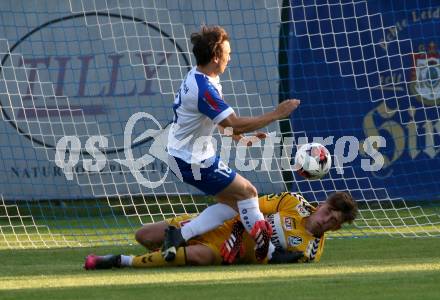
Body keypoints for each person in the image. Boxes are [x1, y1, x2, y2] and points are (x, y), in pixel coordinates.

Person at [164, 24, 301, 263]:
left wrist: (236, 136)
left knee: (234, 204)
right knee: (248, 192)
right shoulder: (204, 88)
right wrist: (276, 114)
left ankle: (178, 235)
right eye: (228, 52)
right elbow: (234, 122)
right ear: (216, 57)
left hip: (188, 156)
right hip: (192, 160)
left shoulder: (202, 77)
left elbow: (214, 118)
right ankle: (269, 255)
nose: (230, 57)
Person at [84, 191, 358, 269]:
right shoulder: (292, 202)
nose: (326, 220)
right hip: (220, 223)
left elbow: (265, 259)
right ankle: (182, 239)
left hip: (229, 251)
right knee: (143, 236)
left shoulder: (309, 251)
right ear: (322, 204)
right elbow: (244, 203)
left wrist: (245, 243)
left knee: (197, 257)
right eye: (327, 212)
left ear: (337, 228)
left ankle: (120, 261)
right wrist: (240, 228)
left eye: (334, 221)